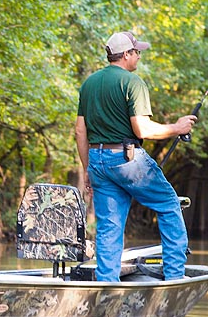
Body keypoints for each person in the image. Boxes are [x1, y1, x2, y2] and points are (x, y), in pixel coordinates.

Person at [74, 31, 197, 282]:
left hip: (97, 161)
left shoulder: (89, 84)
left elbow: (79, 130)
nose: (139, 56)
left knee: (109, 225)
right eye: (137, 52)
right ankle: (174, 276)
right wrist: (177, 127)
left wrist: (88, 168)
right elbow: (142, 130)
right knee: (169, 205)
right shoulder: (133, 83)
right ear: (126, 55)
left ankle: (107, 284)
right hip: (126, 160)